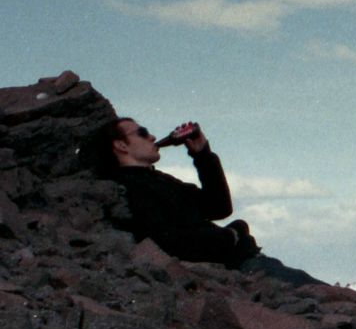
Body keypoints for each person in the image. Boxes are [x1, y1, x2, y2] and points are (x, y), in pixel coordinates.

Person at [92, 117, 322, 286]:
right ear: (121, 145)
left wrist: (202, 155)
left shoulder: (159, 180)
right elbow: (165, 239)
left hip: (245, 262)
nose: (152, 137)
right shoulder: (127, 187)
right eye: (142, 132)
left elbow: (219, 208)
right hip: (237, 269)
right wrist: (229, 237)